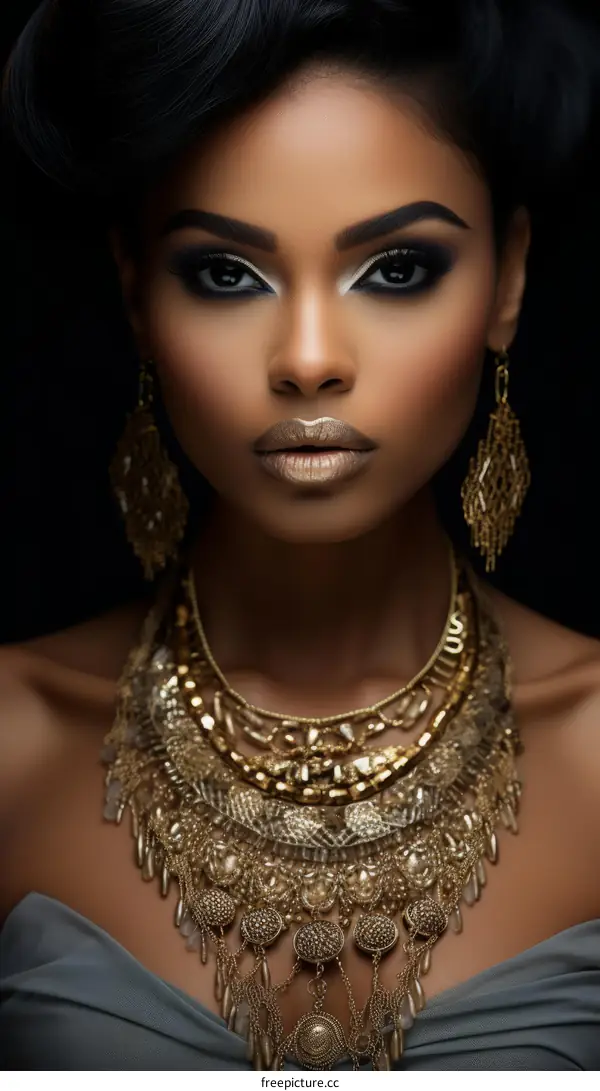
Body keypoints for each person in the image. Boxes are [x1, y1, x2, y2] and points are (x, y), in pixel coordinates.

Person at [0, 0, 599, 1073]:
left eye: (398, 269)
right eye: (226, 274)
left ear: (507, 276)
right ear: (138, 291)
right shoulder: (13, 744)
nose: (310, 358)